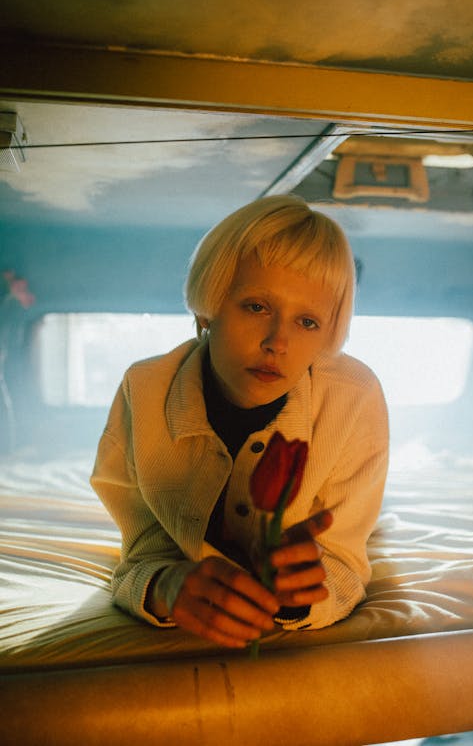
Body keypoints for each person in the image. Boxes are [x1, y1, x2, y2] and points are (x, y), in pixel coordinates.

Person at [90, 194, 389, 650]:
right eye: (256, 307)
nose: (278, 342)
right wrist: (165, 587)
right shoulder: (144, 389)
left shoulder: (354, 398)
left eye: (308, 322)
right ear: (208, 305)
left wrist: (301, 594)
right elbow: (141, 554)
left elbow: (346, 567)